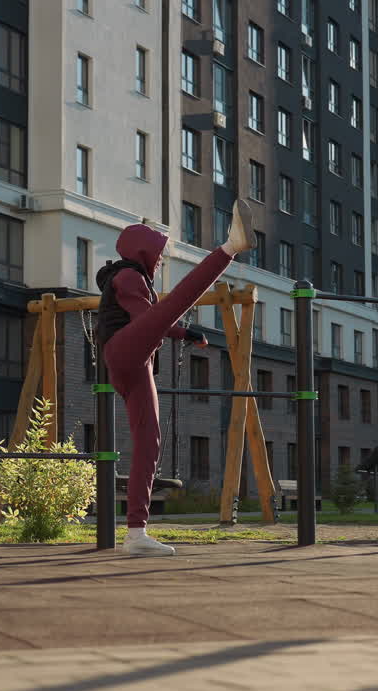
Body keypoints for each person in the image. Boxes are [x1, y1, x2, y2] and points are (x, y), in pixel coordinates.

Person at [95, 200, 256, 556]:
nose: (162, 259)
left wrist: (185, 334)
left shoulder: (137, 279)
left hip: (138, 366)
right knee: (177, 301)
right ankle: (230, 247)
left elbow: (153, 320)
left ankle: (136, 533)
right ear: (143, 252)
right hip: (123, 352)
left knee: (149, 443)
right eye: (159, 253)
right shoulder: (127, 276)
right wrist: (184, 333)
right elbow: (148, 319)